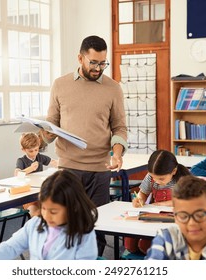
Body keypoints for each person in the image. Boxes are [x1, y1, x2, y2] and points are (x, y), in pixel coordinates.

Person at [39, 35, 128, 255]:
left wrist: (117, 154)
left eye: (103, 63)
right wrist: (45, 133)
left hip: (99, 168)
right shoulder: (60, 84)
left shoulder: (113, 88)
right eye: (94, 62)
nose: (99, 68)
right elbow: (52, 124)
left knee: (95, 227)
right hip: (68, 168)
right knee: (67, 225)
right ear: (80, 58)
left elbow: (119, 127)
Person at [0, 169, 98, 260]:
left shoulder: (84, 233)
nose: (46, 216)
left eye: (53, 211)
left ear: (73, 207)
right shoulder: (35, 224)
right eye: (44, 208)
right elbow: (11, 246)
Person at [126, 150, 191, 255]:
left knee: (145, 246)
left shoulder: (183, 179)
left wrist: (163, 204)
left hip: (174, 219)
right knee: (129, 245)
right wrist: (140, 199)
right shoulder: (151, 177)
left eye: (161, 178)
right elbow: (143, 193)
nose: (156, 181)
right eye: (154, 177)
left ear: (173, 171)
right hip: (154, 215)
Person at [15, 132, 58, 217]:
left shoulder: (39, 157)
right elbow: (17, 174)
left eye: (36, 150)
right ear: (23, 150)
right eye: (30, 151)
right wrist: (30, 169)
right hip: (28, 195)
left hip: (41, 193)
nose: (34, 153)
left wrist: (62, 163)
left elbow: (53, 162)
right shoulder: (21, 160)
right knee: (35, 214)